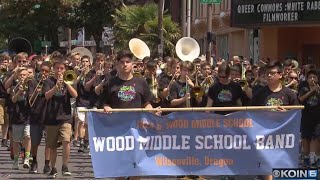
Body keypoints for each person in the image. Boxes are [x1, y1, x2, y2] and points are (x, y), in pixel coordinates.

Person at [102, 50, 160, 180]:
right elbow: (105, 103)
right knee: (120, 168)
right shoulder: (111, 83)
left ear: (132, 64)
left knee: (136, 167)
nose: (125, 64)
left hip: (137, 130)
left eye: (128, 62)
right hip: (118, 130)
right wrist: (106, 107)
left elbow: (147, 103)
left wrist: (152, 111)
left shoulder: (141, 82)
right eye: (122, 62)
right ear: (117, 64)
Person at [251, 61, 299, 180]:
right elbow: (252, 113)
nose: (269, 76)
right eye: (267, 73)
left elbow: (297, 113)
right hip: (264, 135)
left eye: (272, 73)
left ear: (280, 74)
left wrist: (286, 114)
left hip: (283, 137)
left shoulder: (289, 94)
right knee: (267, 166)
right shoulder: (259, 93)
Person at [43, 56, 78, 178]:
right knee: (52, 146)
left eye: (62, 68)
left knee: (66, 141)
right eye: (57, 68)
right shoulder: (48, 81)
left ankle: (65, 165)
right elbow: (46, 96)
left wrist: (67, 84)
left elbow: (75, 95)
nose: (59, 71)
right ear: (53, 69)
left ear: (65, 69)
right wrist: (56, 86)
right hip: (51, 117)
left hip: (66, 116)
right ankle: (53, 168)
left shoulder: (69, 79)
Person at [10, 67, 32, 170]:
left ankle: (27, 158)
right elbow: (13, 100)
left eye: (24, 75)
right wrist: (19, 91)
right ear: (18, 76)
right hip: (16, 116)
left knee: (27, 136)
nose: (23, 77)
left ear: (28, 76)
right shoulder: (14, 87)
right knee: (16, 141)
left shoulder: (31, 86)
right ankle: (16, 160)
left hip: (27, 116)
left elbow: (32, 101)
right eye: (21, 75)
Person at [298, 70, 320, 168]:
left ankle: (313, 160)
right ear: (307, 79)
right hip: (305, 118)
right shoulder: (304, 89)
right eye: (310, 77)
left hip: (317, 120)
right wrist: (312, 91)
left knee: (315, 138)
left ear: (317, 79)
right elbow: (300, 99)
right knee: (305, 139)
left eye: (314, 77)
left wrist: (318, 91)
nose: (312, 79)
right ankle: (306, 159)